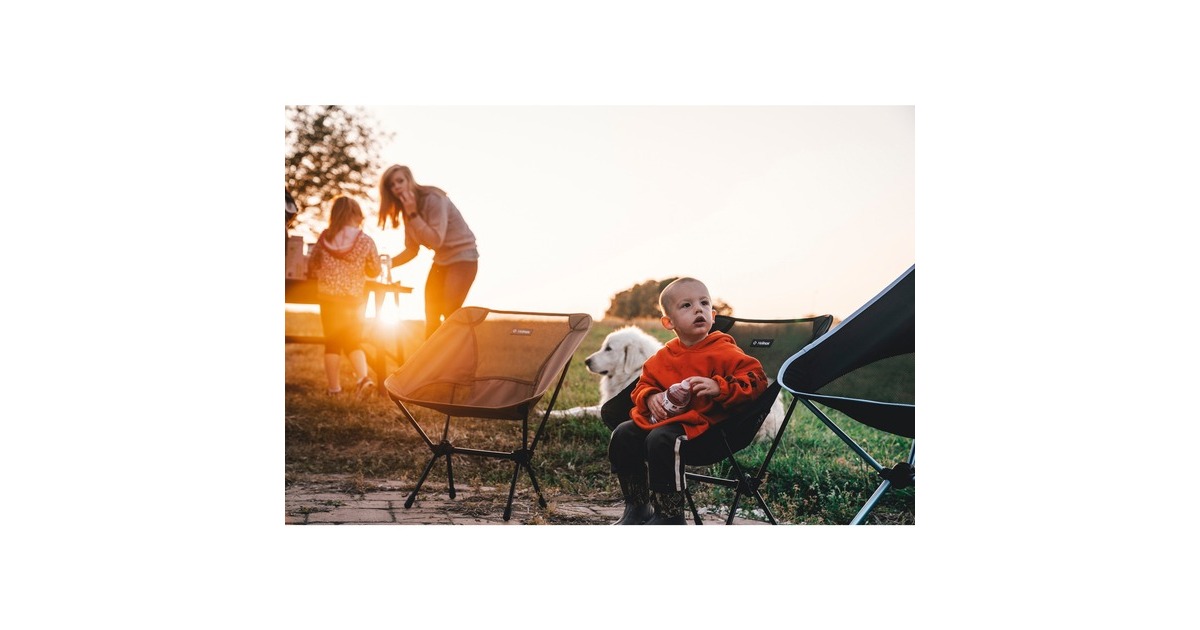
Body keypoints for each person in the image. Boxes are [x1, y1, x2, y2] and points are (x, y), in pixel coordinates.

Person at [607, 277, 769, 525]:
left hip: (709, 430)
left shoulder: (724, 350)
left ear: (713, 316)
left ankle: (670, 516)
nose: (698, 310)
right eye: (686, 305)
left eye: (704, 303)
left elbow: (757, 380)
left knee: (661, 438)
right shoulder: (663, 357)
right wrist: (650, 397)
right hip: (669, 423)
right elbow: (642, 386)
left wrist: (720, 387)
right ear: (668, 322)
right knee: (623, 433)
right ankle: (638, 507)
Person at [377, 165, 479, 339]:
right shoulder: (407, 210)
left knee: (450, 313)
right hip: (441, 260)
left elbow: (436, 240)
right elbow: (412, 250)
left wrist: (413, 214)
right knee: (431, 313)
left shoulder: (433, 199)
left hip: (463, 258)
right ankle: (432, 356)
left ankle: (460, 354)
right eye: (392, 185)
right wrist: (385, 265)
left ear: (409, 180)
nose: (397, 187)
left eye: (400, 181)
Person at [306, 196, 381, 398]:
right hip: (353, 299)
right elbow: (375, 270)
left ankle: (334, 389)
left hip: (328, 298)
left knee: (332, 342)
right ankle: (363, 378)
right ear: (356, 215)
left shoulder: (325, 238)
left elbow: (312, 265)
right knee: (353, 341)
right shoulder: (365, 240)